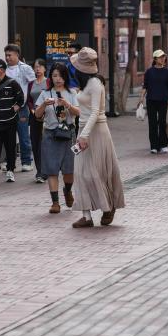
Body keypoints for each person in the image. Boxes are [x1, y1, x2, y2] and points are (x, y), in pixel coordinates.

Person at [70, 47, 126, 228]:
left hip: (96, 131)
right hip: (84, 129)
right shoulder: (86, 83)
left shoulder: (95, 83)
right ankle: (86, 215)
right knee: (80, 173)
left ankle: (108, 206)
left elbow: (95, 112)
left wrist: (84, 135)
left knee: (98, 172)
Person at [37, 63, 80, 213]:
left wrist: (67, 105)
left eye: (61, 76)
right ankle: (55, 203)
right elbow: (37, 115)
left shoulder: (72, 92)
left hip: (68, 134)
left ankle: (67, 190)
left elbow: (78, 112)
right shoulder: (45, 93)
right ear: (51, 77)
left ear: (66, 77)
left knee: (69, 170)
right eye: (55, 75)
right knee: (52, 169)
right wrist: (44, 104)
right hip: (50, 134)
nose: (58, 79)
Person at [4, 44, 36, 172]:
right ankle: (9, 163)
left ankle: (26, 161)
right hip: (7, 108)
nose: (7, 58)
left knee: (23, 136)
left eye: (9, 55)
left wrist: (30, 102)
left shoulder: (25, 68)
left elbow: (33, 85)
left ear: (17, 54)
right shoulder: (3, 69)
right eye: (6, 55)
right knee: (8, 137)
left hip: (22, 107)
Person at [138, 49, 168, 154]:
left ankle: (163, 144)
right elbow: (145, 86)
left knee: (162, 123)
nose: (163, 59)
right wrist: (141, 98)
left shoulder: (167, 72)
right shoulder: (149, 72)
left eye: (164, 57)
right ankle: (154, 146)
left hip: (163, 100)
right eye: (160, 57)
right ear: (155, 59)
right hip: (151, 100)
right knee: (152, 123)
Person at [27, 59, 49, 182]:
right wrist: (32, 110)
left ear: (45, 68)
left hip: (47, 116)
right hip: (34, 116)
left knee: (45, 144)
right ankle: (39, 171)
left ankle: (45, 171)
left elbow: (52, 96)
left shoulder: (49, 82)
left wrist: (44, 110)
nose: (37, 69)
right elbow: (29, 99)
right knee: (35, 143)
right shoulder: (31, 84)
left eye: (40, 66)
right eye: (35, 67)